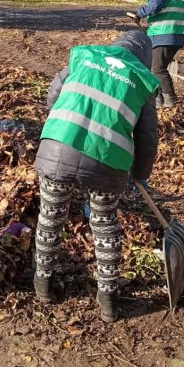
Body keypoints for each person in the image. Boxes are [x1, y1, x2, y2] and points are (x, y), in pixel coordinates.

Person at [34, 30, 160, 322]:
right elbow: (147, 137)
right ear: (144, 58)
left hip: (58, 147)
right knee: (104, 225)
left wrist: (64, 123)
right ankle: (108, 302)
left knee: (50, 217)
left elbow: (53, 95)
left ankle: (43, 286)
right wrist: (140, 175)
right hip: (107, 161)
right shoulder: (141, 80)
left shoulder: (84, 58)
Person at [135, 0, 184, 108]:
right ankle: (158, 99)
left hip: (164, 33)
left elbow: (154, 7)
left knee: (158, 68)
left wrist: (140, 12)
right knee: (158, 67)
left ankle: (170, 100)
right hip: (177, 34)